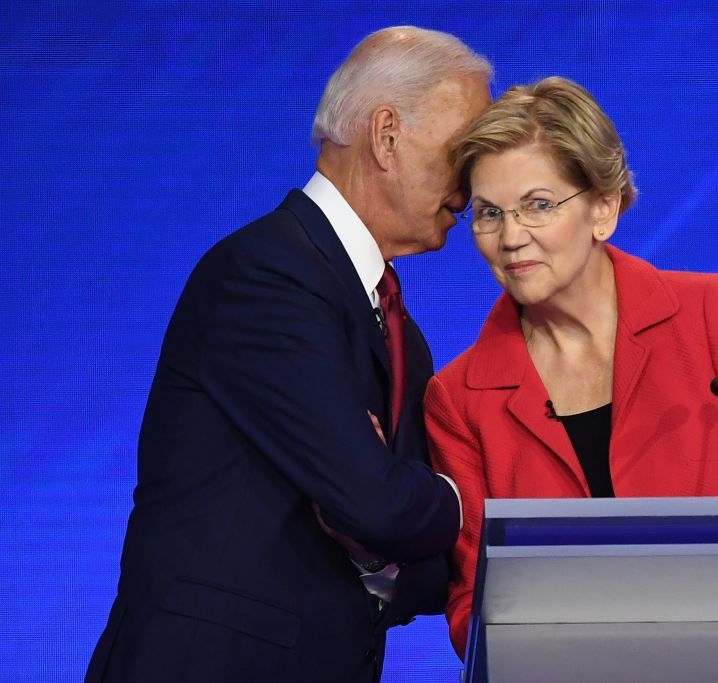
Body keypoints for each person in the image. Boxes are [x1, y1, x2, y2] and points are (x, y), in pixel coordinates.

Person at [86, 27, 491, 682]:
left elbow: (423, 568)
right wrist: (465, 498)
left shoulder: (398, 331)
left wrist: (380, 554)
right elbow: (381, 502)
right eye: (465, 151)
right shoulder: (267, 276)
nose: (475, 184)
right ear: (386, 136)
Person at [424, 76, 718, 658]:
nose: (511, 237)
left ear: (603, 208)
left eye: (539, 205)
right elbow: (471, 604)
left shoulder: (710, 316)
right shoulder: (459, 398)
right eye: (488, 213)